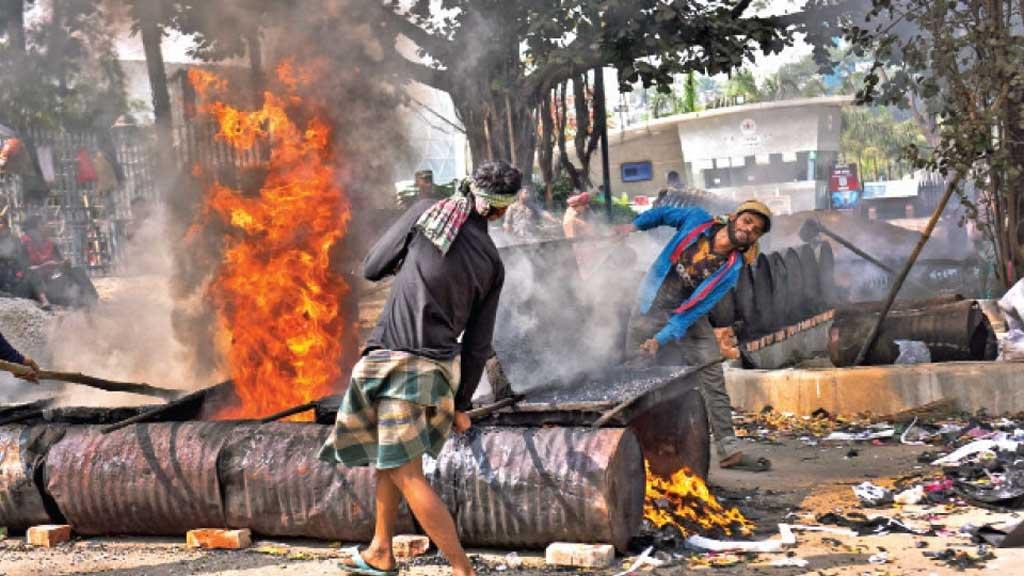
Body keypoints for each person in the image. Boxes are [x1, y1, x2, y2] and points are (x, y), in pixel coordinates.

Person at [320, 160, 521, 576]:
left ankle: (463, 570)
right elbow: (478, 345)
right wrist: (461, 402)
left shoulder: (424, 214)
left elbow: (373, 268)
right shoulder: (492, 262)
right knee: (389, 461)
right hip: (435, 370)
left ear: (468, 188)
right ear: (502, 210)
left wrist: (408, 257)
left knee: (405, 472)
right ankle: (380, 550)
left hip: (398, 364)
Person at [617, 199, 773, 473]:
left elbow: (694, 311)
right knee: (636, 369)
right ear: (734, 217)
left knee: (712, 369)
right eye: (748, 221)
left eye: (757, 230)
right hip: (650, 302)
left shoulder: (731, 270)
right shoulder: (696, 220)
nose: (750, 230)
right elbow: (663, 214)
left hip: (686, 313)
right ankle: (631, 445)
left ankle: (729, 450)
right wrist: (634, 225)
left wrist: (661, 339)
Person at [20, 216, 98, 308]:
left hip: (50, 281)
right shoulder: (23, 244)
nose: (46, 227)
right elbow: (23, 269)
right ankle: (44, 301)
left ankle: (91, 299)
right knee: (32, 273)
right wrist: (46, 265)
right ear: (33, 230)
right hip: (32, 286)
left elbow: (59, 265)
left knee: (77, 270)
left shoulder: (50, 244)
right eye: (42, 225)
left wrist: (64, 264)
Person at [0, 217, 47, 306]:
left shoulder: (15, 240)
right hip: (1, 280)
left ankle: (44, 300)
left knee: (32, 272)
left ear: (6, 225)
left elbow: (22, 259)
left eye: (0, 223)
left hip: (14, 280)